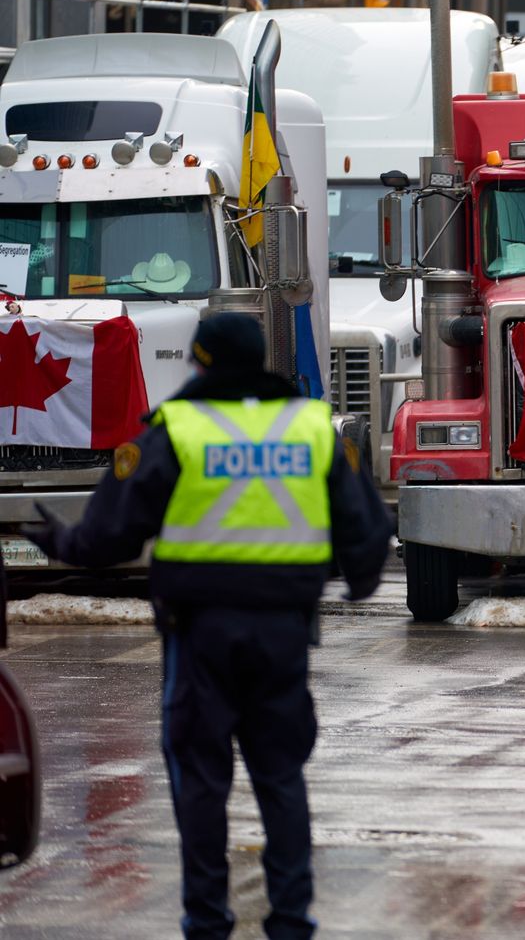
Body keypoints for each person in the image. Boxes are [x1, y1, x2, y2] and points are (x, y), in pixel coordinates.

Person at [25, 312, 393, 940]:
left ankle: (206, 923)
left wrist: (59, 541)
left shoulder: (177, 429)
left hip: (200, 636)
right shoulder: (311, 427)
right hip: (282, 634)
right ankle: (291, 922)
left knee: (200, 782)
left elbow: (113, 534)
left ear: (201, 361)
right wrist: (359, 581)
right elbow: (366, 524)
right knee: (280, 778)